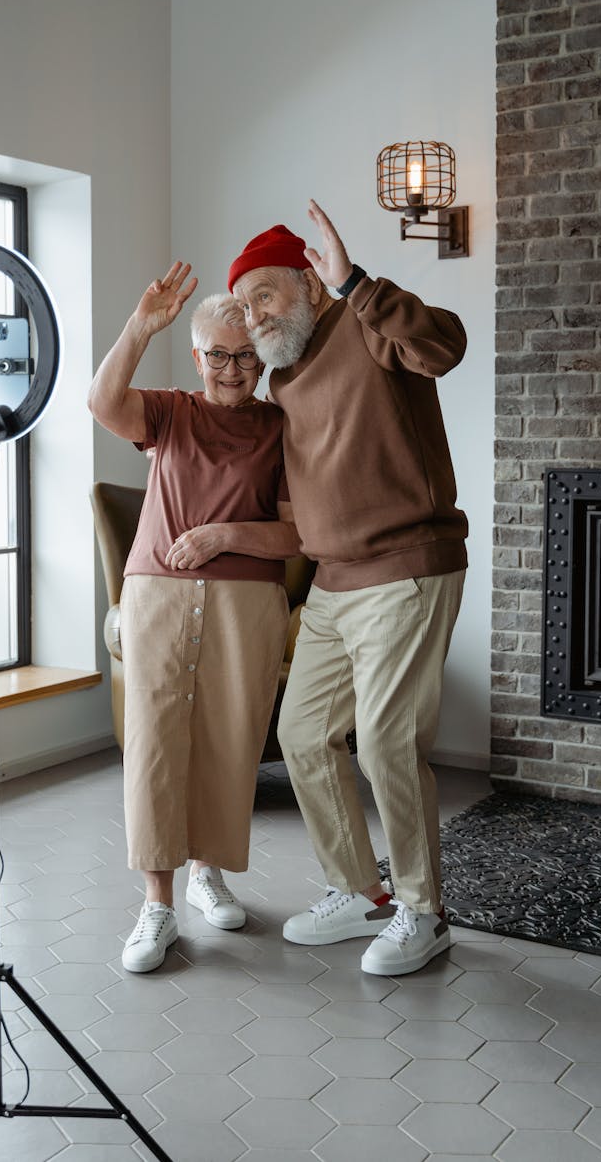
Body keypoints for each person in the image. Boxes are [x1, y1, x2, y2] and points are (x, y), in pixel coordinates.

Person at [228, 200, 468, 977]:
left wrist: (357, 280)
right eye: (244, 305)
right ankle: (358, 890)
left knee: (388, 740)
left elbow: (443, 346)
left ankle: (423, 912)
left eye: (265, 294)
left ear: (308, 282)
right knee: (301, 735)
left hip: (406, 568)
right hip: (331, 584)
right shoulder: (281, 377)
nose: (254, 314)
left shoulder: (366, 323)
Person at [88, 262, 299, 973]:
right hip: (158, 595)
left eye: (243, 355)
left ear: (259, 356)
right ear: (197, 354)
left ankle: (209, 872)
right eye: (217, 355)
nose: (231, 369)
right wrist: (140, 326)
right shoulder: (170, 412)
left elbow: (296, 536)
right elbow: (100, 400)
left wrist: (224, 534)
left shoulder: (280, 427)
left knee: (228, 737)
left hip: (247, 599)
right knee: (153, 740)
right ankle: (156, 904)